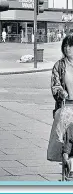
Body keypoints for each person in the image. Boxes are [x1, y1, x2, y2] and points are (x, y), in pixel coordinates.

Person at [47, 34, 73, 179]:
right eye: (65, 45)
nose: (67, 48)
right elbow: (55, 86)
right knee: (68, 136)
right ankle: (67, 169)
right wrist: (61, 92)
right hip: (66, 106)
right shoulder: (59, 65)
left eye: (70, 45)